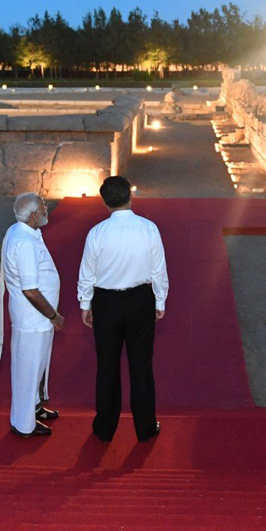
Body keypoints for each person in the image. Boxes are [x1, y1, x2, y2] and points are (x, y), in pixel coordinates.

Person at [77, 175, 169, 443]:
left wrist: (85, 304)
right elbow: (158, 270)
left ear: (105, 202)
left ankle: (104, 429)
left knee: (107, 367)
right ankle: (145, 428)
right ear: (131, 196)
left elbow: (87, 273)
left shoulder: (96, 233)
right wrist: (159, 301)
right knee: (141, 366)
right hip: (141, 300)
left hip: (106, 303)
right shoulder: (149, 228)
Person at [0, 193, 64, 437]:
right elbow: (30, 290)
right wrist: (54, 315)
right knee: (28, 369)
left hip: (35, 318)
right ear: (34, 215)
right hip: (33, 318)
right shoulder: (24, 243)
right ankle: (23, 423)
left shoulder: (21, 231)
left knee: (36, 366)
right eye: (44, 209)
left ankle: (35, 406)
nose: (47, 212)